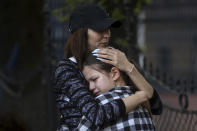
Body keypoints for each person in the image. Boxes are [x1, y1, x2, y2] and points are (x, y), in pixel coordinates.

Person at [54, 3, 162, 131]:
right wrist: (140, 97)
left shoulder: (115, 58)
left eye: (108, 28)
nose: (107, 34)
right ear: (81, 32)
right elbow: (96, 115)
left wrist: (128, 67)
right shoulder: (67, 69)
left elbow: (156, 106)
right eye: (100, 29)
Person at [77, 53, 156, 130]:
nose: (90, 87)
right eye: (88, 83)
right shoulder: (144, 104)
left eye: (94, 79)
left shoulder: (101, 104)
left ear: (114, 73)